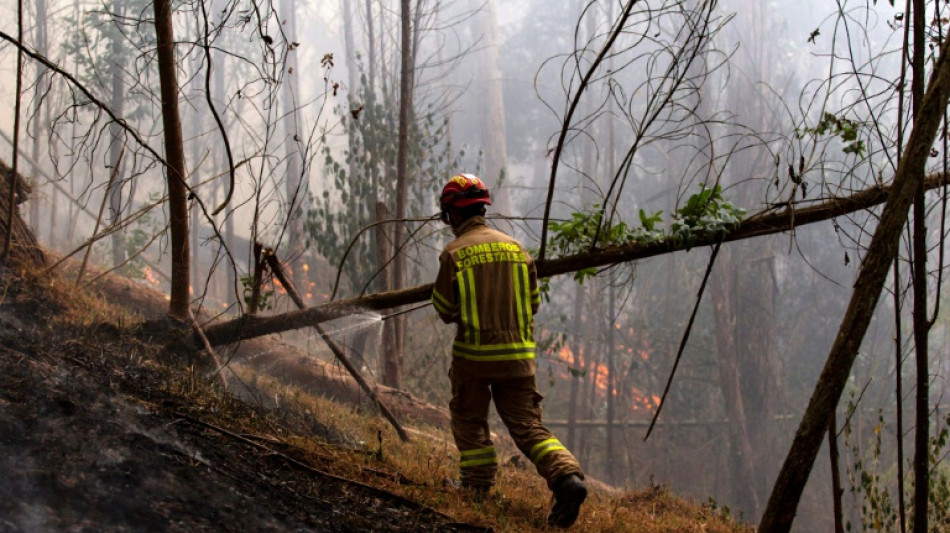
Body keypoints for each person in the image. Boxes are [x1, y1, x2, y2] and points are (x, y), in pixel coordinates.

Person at [431, 173, 588, 528]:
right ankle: (567, 478)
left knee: (470, 419)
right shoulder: (517, 249)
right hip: (518, 359)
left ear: (453, 213)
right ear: (483, 208)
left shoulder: (454, 253)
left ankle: (476, 488)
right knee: (528, 427)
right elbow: (532, 303)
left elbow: (443, 308)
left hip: (474, 357)